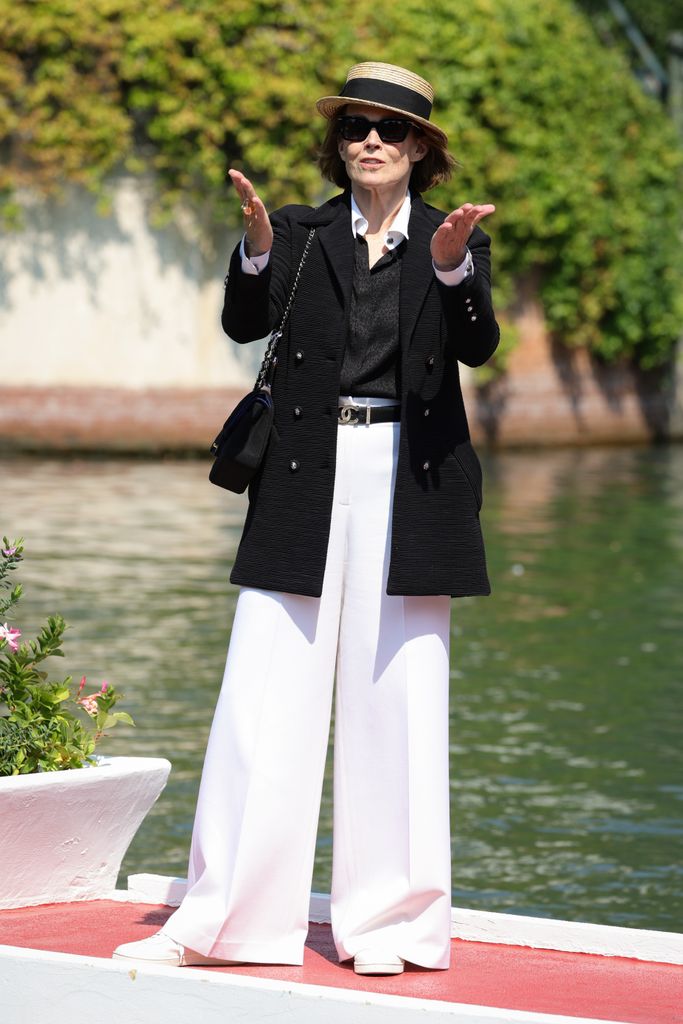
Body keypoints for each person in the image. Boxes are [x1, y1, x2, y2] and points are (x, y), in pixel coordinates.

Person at [113, 60, 499, 977]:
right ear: (339, 144)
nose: (371, 140)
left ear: (419, 151)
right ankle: (233, 920)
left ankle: (393, 928)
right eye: (357, 126)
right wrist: (251, 246)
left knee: (399, 703)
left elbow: (477, 345)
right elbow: (245, 322)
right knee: (264, 694)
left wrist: (450, 271)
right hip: (301, 473)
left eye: (391, 129)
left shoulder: (452, 242)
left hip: (411, 476)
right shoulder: (299, 228)